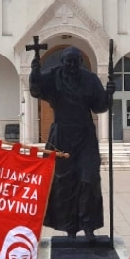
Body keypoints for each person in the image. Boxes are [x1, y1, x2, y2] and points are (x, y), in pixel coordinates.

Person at [29, 46, 115, 240]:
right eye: (68, 61)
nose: (71, 65)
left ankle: (88, 225)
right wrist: (34, 72)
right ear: (62, 62)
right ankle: (69, 228)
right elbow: (36, 91)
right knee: (63, 182)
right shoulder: (53, 76)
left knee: (89, 179)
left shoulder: (90, 79)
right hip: (61, 135)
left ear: (80, 62)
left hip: (85, 135)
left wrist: (109, 95)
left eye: (75, 62)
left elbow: (100, 106)